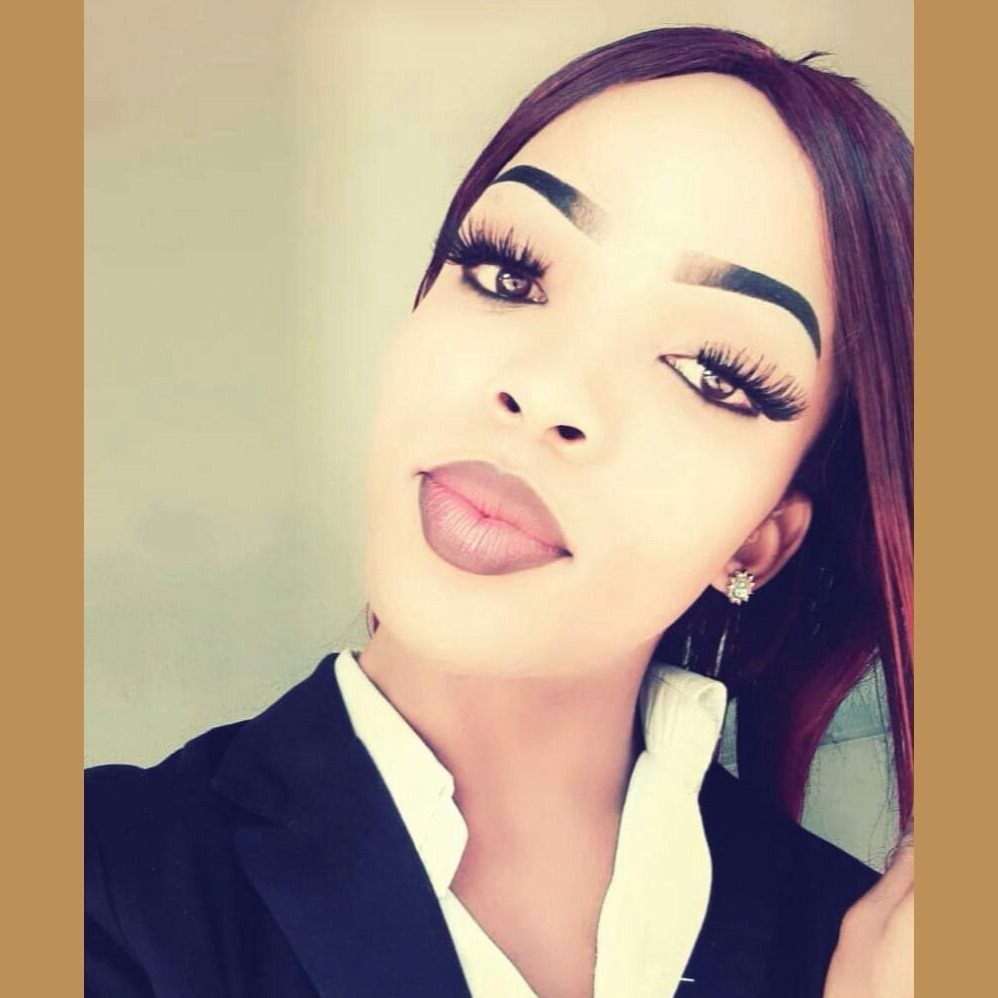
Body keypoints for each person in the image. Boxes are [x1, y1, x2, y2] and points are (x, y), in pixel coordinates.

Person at [85, 25, 913, 998]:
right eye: (508, 273)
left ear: (759, 540)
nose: (548, 389)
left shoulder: (864, 955)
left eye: (708, 372)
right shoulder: (87, 885)